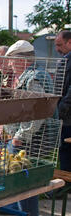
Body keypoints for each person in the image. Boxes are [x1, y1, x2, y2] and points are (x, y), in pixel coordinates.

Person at [0, 40, 52, 216]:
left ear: (21, 59)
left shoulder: (34, 78)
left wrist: (20, 137)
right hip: (24, 139)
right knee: (25, 186)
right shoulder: (32, 75)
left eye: (12, 60)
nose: (10, 64)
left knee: (25, 186)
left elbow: (36, 113)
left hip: (27, 142)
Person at [54, 30, 71, 174]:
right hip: (64, 115)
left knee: (66, 150)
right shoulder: (65, 59)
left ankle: (65, 186)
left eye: (60, 45)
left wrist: (59, 110)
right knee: (64, 151)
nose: (57, 49)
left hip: (67, 117)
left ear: (69, 42)